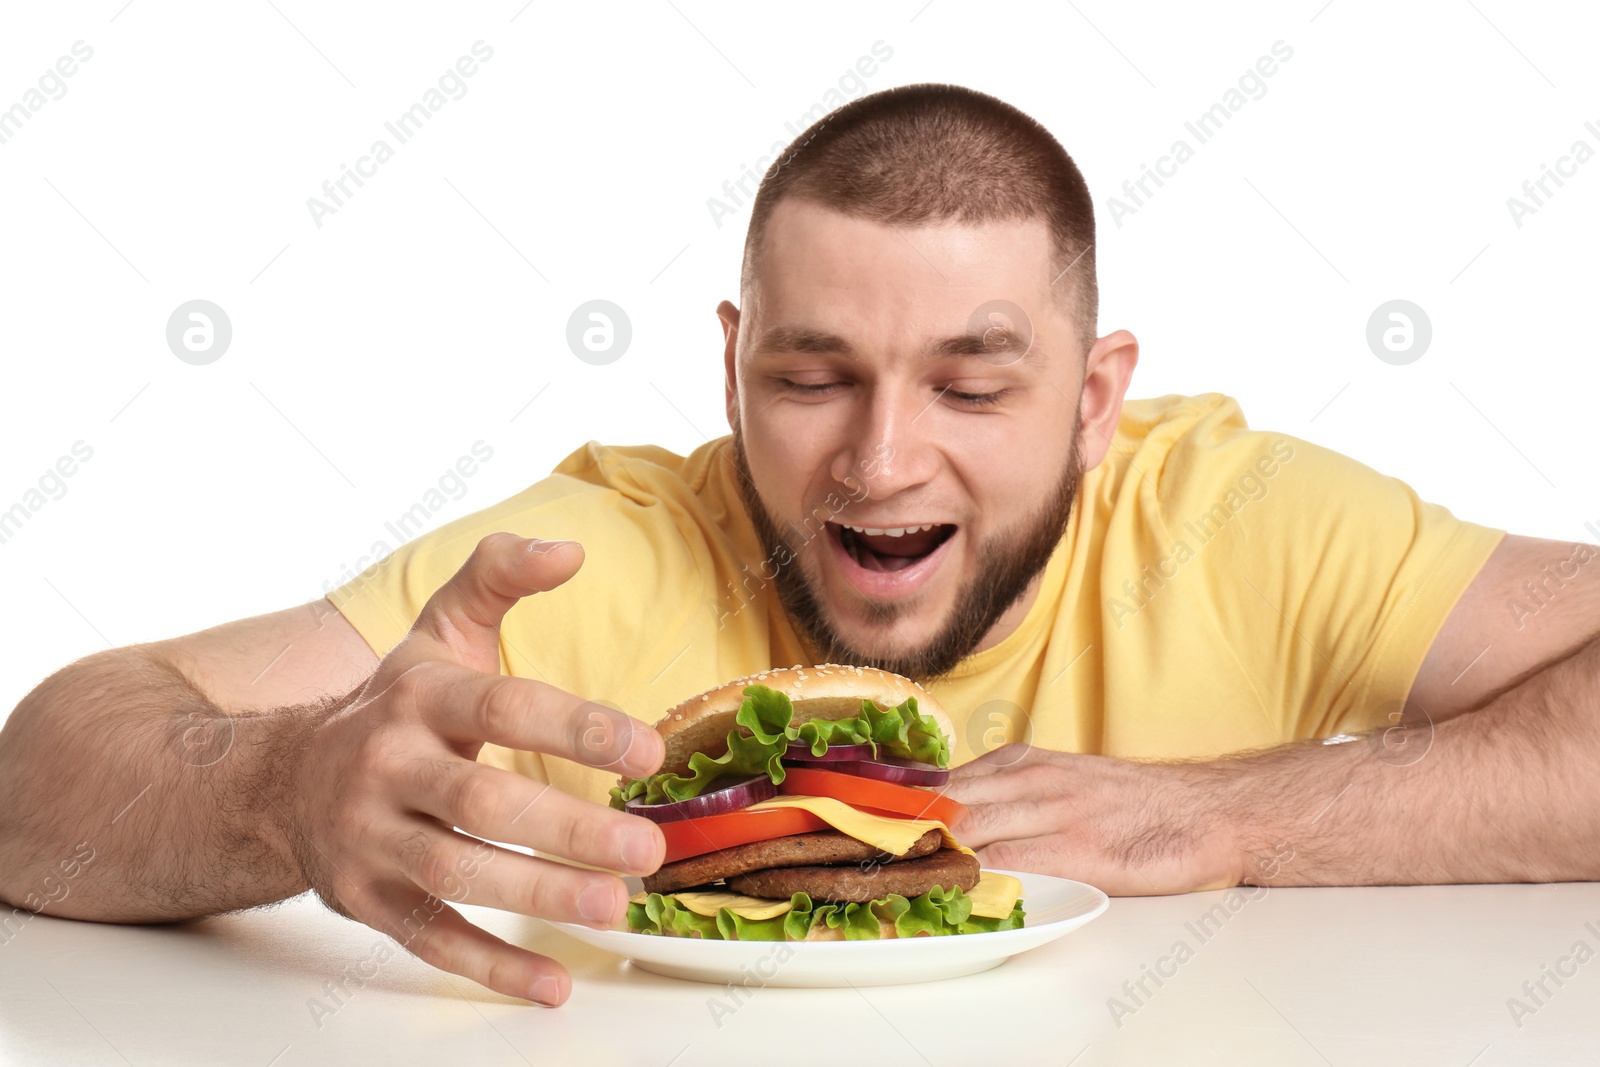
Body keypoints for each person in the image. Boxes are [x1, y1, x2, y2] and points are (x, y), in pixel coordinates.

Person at [2, 82, 1596, 1009]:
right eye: (811, 376)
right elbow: (41, 781)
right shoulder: (586, 557)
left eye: (974, 384)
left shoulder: (1236, 523)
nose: (884, 460)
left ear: (1100, 398)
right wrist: (289, 783)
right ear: (729, 366)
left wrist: (1232, 814)